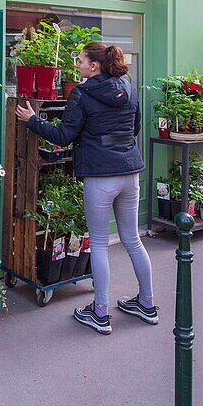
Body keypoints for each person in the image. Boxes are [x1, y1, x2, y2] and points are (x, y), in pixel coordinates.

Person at [15, 41, 156, 335]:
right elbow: (135, 127)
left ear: (94, 66)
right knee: (132, 239)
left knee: (101, 243)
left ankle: (101, 313)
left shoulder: (82, 93)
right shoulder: (128, 88)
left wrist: (32, 120)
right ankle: (147, 304)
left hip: (100, 176)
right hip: (130, 172)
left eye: (80, 61)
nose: (76, 66)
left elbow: (64, 136)